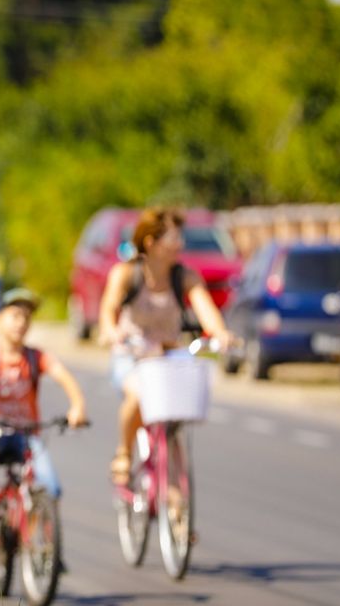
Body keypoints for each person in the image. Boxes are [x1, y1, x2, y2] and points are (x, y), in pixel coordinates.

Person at [97, 207, 235, 484]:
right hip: (132, 354)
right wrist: (111, 331)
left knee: (172, 420)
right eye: (174, 238)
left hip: (168, 354)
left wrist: (220, 333)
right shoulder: (126, 274)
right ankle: (124, 451)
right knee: (137, 396)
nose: (180, 244)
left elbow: (205, 309)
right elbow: (108, 309)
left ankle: (175, 502)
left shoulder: (183, 276)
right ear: (151, 242)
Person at [0, 287, 88, 519]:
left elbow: (64, 376)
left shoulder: (35, 356)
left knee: (50, 487)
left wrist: (77, 406)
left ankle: (40, 546)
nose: (21, 323)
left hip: (27, 434)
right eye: (15, 316)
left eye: (27, 318)